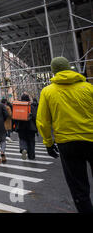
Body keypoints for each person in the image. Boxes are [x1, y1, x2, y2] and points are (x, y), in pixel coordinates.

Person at [36, 57, 93, 213]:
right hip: (91, 138)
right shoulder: (88, 88)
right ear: (69, 68)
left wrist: (48, 143)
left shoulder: (47, 91)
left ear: (53, 71)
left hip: (67, 144)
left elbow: (43, 121)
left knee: (78, 188)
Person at [16, 94, 38, 160]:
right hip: (31, 127)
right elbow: (35, 117)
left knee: (22, 139)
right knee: (31, 141)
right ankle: (31, 156)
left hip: (21, 127)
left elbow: (14, 117)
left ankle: (23, 149)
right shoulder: (31, 106)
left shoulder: (18, 106)